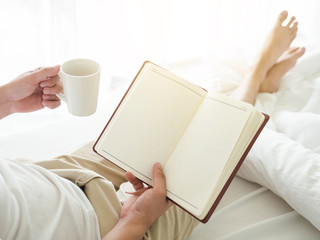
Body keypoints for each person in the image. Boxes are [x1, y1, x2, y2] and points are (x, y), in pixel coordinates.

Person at [0, 10, 305, 240]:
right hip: (103, 226)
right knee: (213, 145)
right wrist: (138, 218)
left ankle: (257, 88)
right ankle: (256, 79)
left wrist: (7, 101)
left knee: (161, 123)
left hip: (46, 174)